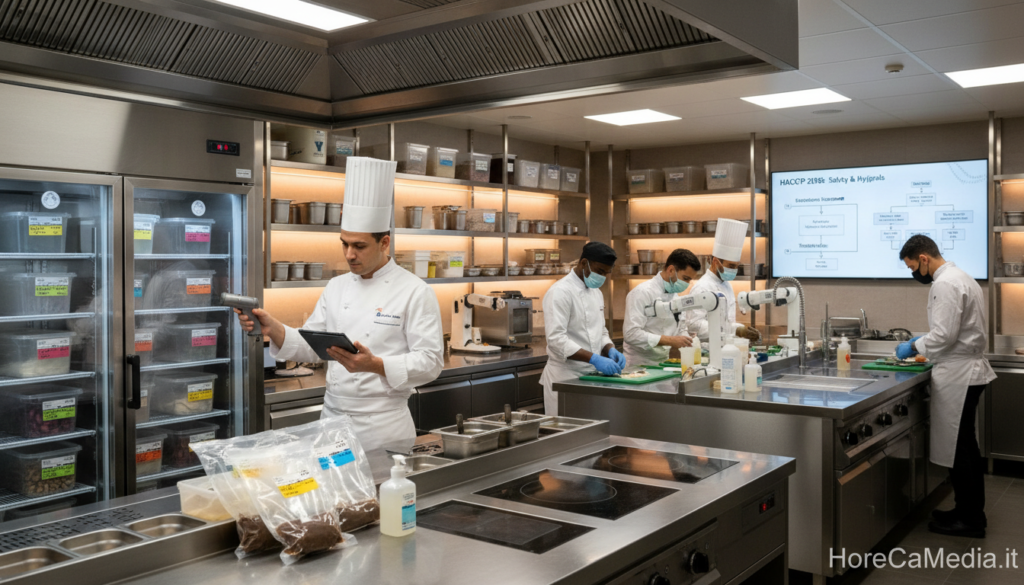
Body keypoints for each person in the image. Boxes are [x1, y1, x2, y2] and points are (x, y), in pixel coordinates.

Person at [236, 157, 444, 452]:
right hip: (332, 422)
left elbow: (431, 363)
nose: (349, 254)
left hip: (383, 426)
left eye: (359, 246)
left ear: (384, 243)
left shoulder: (414, 291)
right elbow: (313, 345)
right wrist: (274, 328)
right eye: (344, 244)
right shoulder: (337, 286)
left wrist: (376, 365)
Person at [896, 234, 995, 538]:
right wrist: (923, 342)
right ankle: (969, 511)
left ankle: (970, 520)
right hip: (966, 371)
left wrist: (914, 345)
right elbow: (951, 330)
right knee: (965, 446)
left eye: (913, 267)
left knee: (959, 448)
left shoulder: (945, 284)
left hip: (959, 374)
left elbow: (944, 335)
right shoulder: (961, 277)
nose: (914, 274)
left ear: (923, 258)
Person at [540, 242, 624, 416]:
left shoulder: (596, 292)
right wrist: (594, 358)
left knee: (590, 429)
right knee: (565, 429)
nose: (603, 277)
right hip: (565, 377)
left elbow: (600, 331)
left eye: (606, 273)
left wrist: (610, 348)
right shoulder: (560, 292)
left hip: (591, 376)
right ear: (584, 263)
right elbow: (556, 340)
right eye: (600, 271)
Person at [685, 218, 760, 344]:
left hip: (726, 346)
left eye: (736, 266)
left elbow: (728, 322)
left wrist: (740, 329)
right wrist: (734, 330)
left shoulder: (726, 284)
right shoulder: (702, 287)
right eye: (731, 266)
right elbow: (694, 325)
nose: (734, 270)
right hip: (707, 349)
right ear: (715, 262)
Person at [623, 248, 701, 366]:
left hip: (663, 364)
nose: (687, 284)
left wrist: (690, 343)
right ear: (671, 270)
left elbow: (681, 328)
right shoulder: (642, 292)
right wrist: (670, 340)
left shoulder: (676, 297)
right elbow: (631, 334)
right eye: (685, 278)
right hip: (638, 365)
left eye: (689, 280)